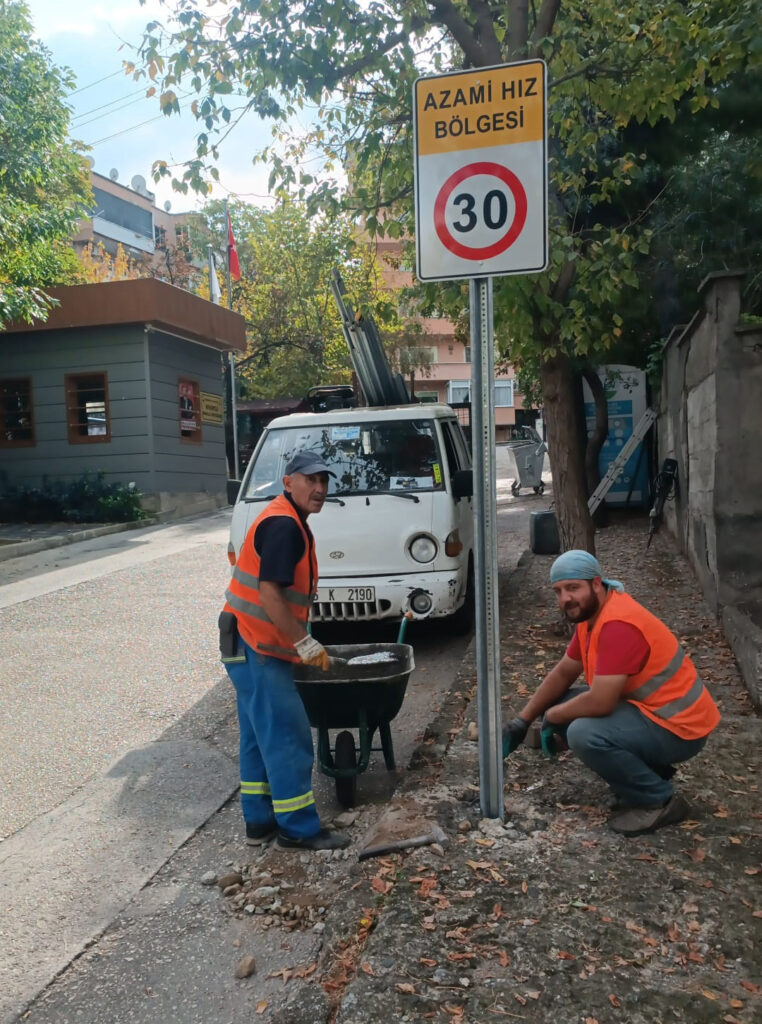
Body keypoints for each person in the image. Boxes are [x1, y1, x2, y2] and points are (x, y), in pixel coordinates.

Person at [502, 549, 720, 837]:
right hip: (653, 713)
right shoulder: (592, 616)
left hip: (681, 729)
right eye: (558, 591)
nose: (565, 598)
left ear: (595, 584)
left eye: (573, 588)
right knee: (562, 702)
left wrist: (553, 716)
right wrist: (523, 720)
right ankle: (650, 773)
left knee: (583, 732)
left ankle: (659, 800)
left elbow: (602, 702)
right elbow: (565, 671)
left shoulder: (618, 625)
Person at [219, 451, 350, 851]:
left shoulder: (286, 518)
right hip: (256, 645)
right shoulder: (284, 526)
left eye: (324, 481)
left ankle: (259, 822)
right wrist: (305, 644)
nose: (319, 488)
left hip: (243, 641)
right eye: (310, 480)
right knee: (287, 735)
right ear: (288, 482)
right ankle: (298, 828)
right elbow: (270, 594)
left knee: (260, 738)